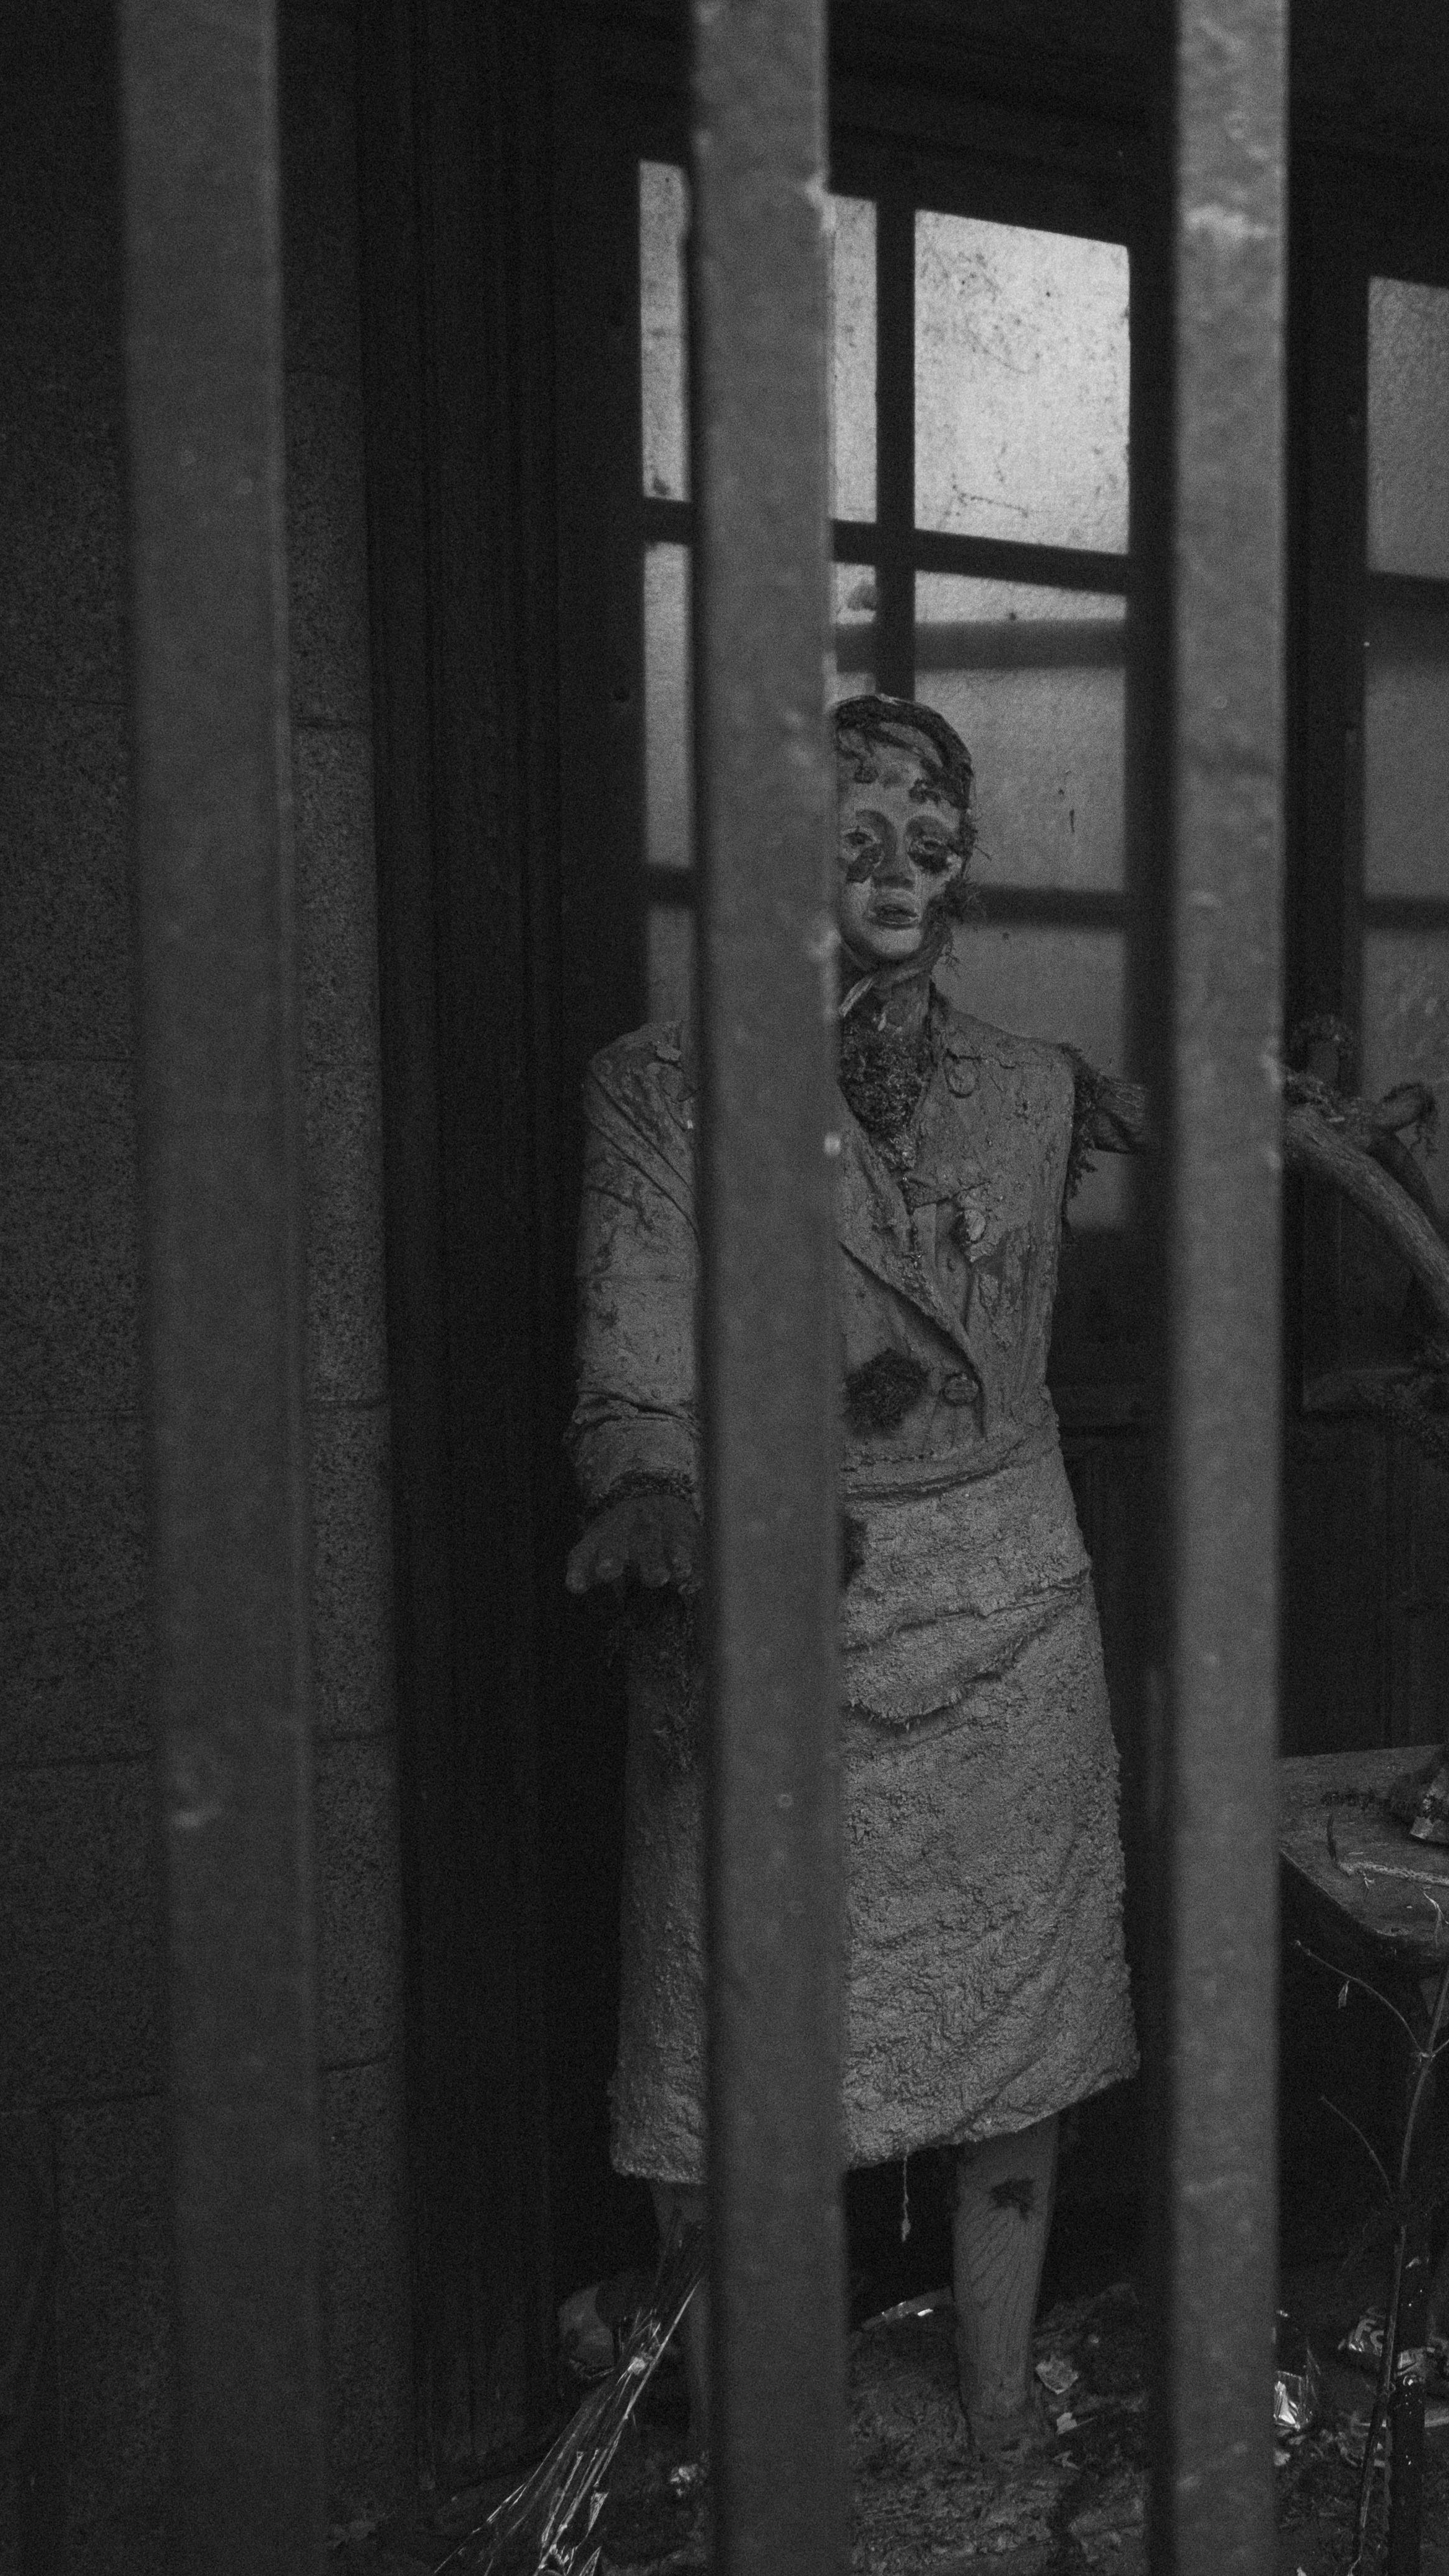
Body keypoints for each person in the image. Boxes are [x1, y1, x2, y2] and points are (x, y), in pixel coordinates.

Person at [564, 691, 1143, 2452]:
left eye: (932, 839)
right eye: (857, 831)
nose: (899, 870)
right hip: (773, 1607)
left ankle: (987, 2405)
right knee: (743, 2058)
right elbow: (636, 1360)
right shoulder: (666, 1088)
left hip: (1008, 1600)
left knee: (1015, 2046)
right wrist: (653, 1482)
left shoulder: (1035, 1094)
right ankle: (768, 2443)